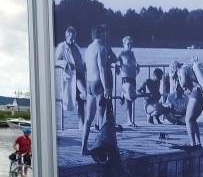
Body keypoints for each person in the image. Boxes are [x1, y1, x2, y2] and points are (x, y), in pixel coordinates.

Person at [83, 25, 119, 162]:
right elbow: (102, 69)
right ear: (102, 34)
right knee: (102, 118)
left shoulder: (89, 48)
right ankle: (102, 148)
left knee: (88, 118)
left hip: (89, 83)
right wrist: (107, 88)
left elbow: (88, 66)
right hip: (99, 84)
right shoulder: (102, 48)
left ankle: (83, 147)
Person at [54, 26, 86, 126]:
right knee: (85, 95)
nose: (73, 40)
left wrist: (84, 65)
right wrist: (66, 63)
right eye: (71, 38)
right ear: (66, 36)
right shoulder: (62, 47)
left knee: (81, 100)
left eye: (74, 38)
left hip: (80, 75)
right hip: (72, 77)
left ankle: (82, 125)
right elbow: (55, 61)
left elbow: (80, 60)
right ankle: (84, 124)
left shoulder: (76, 47)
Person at [171, 59, 203, 150]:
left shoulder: (182, 70)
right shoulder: (187, 67)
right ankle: (198, 144)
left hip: (196, 93)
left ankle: (192, 144)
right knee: (192, 119)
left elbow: (184, 84)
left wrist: (178, 78)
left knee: (188, 119)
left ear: (174, 69)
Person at [117, 35, 140, 128]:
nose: (130, 45)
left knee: (131, 101)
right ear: (124, 44)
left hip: (133, 78)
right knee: (130, 96)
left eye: (131, 44)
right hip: (125, 78)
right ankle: (122, 93)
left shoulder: (132, 53)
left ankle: (130, 120)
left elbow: (133, 63)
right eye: (128, 44)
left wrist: (137, 67)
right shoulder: (121, 53)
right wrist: (117, 68)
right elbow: (115, 62)